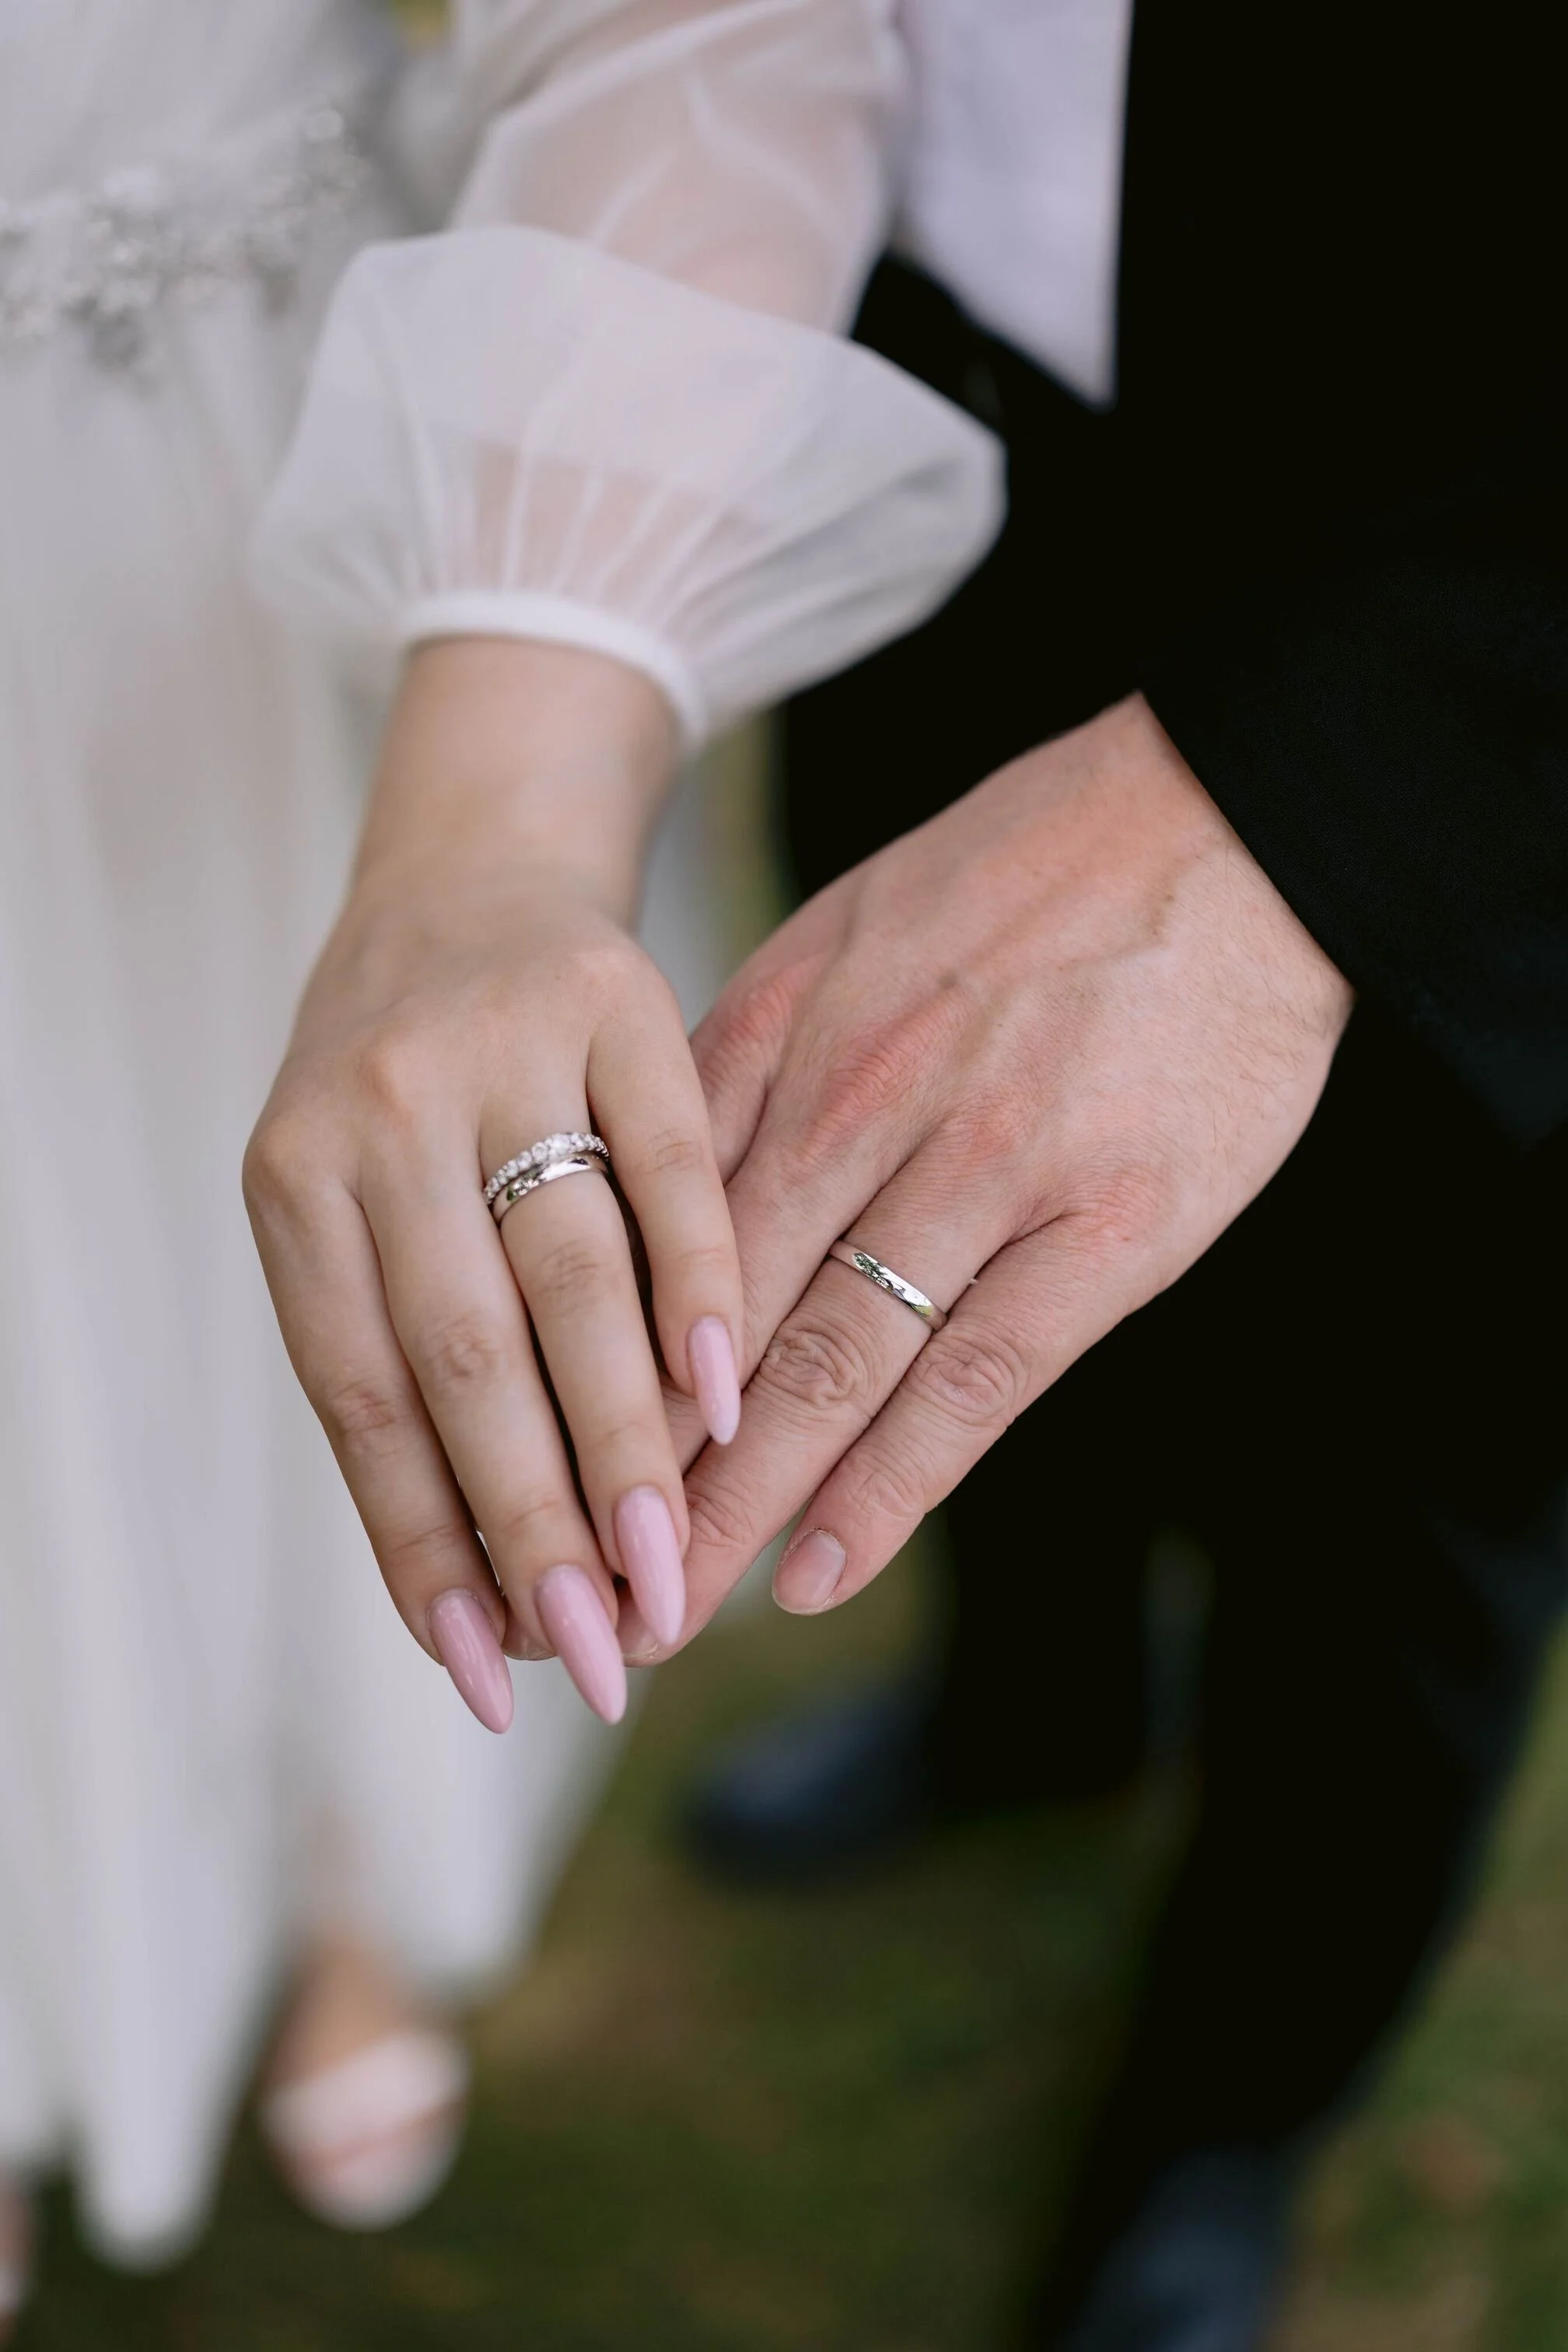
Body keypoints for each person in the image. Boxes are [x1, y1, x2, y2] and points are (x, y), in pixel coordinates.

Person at [246, 3, 1566, 2349]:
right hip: (913, 389)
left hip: (1472, 535)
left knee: (1410, 1473)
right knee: (890, 1224)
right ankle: (1029, 1703)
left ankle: (1233, 2106)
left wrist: (1342, 784)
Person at [2, 0, 990, 2326]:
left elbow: (696, 20)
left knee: (369, 1271)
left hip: (261, 542)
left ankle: (370, 1872)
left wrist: (494, 815)